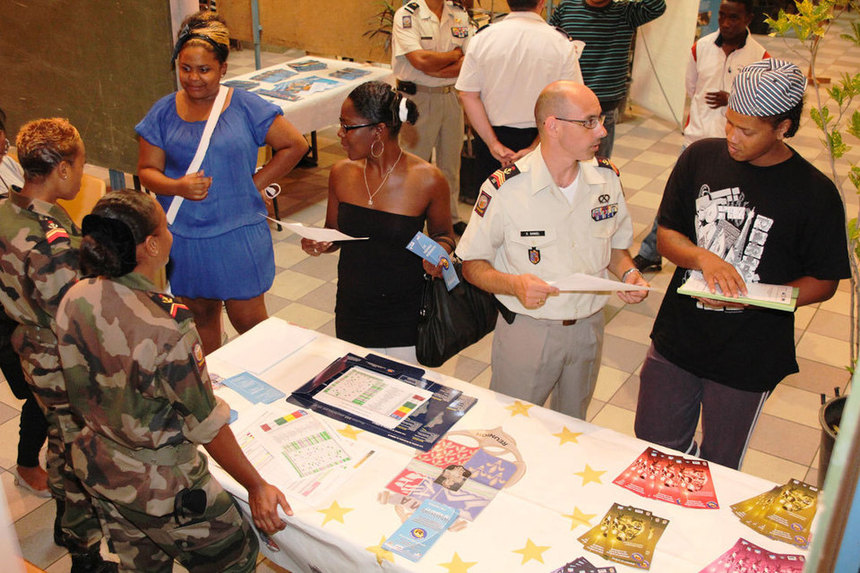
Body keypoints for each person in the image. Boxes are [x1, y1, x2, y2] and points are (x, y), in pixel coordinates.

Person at [56, 190, 291, 572]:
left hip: (102, 464)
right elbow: (207, 426)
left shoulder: (77, 295)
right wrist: (256, 485)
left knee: (142, 564)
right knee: (236, 558)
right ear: (150, 245)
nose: (171, 234)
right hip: (163, 486)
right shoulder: (168, 325)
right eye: (165, 227)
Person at [634, 59, 851, 470]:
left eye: (747, 130)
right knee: (653, 445)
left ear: (783, 127)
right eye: (729, 123)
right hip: (678, 337)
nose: (732, 137)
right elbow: (667, 236)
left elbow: (824, 282)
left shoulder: (815, 194)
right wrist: (703, 257)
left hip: (749, 355)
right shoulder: (700, 157)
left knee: (719, 466)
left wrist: (754, 300)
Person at [456, 81, 649, 419]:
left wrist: (629, 273)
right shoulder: (506, 189)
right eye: (589, 121)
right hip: (529, 331)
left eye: (600, 119)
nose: (601, 130)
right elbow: (472, 264)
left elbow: (616, 248)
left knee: (573, 430)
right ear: (553, 126)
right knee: (511, 429)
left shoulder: (606, 179)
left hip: (589, 327)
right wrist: (514, 285)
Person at [137, 11, 308, 355]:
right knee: (199, 319)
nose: (194, 78)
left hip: (237, 234)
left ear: (224, 68)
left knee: (251, 322)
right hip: (185, 236)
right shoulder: (163, 112)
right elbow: (147, 171)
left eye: (204, 69)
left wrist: (254, 183)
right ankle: (213, 387)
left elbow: (295, 145)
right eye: (185, 69)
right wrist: (178, 186)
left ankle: (266, 387)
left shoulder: (245, 106)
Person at [0, 118, 114, 572]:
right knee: (80, 451)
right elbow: (76, 313)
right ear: (62, 169)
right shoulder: (50, 243)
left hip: (28, 345)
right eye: (81, 163)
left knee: (61, 438)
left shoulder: (9, 212)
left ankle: (67, 526)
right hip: (62, 360)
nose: (84, 172)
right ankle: (84, 553)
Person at [300, 82, 454, 364]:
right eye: (341, 124)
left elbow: (445, 234)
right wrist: (319, 241)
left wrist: (440, 256)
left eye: (348, 126)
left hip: (406, 316)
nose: (340, 134)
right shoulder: (341, 173)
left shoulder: (429, 180)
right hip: (352, 309)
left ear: (378, 130)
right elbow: (334, 233)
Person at [634, 0, 768, 273]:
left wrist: (731, 100)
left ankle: (720, 260)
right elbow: (692, 87)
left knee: (727, 208)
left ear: (748, 18)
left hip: (734, 146)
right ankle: (650, 253)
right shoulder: (701, 47)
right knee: (673, 200)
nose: (727, 23)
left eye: (735, 17)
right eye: (723, 16)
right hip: (695, 141)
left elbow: (761, 106)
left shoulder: (760, 56)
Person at [455, 0, 583, 191]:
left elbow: (467, 94)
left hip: (490, 137)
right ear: (542, 2)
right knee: (538, 207)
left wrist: (493, 144)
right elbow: (571, 101)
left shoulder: (482, 39)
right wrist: (535, 148)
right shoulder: (560, 44)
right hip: (544, 137)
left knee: (490, 204)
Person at [0, 107, 50, 498]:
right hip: (7, 312)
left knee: (44, 386)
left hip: (23, 300)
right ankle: (27, 462)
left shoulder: (10, 168)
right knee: (37, 390)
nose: (5, 143)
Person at [392, 0, 474, 235]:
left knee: (450, 163)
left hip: (450, 98)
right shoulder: (408, 15)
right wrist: (453, 55)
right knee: (411, 164)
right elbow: (419, 61)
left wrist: (434, 67)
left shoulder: (458, 13)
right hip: (416, 98)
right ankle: (408, 220)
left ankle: (449, 218)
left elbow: (468, 61)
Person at [550, 0, 666, 158]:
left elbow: (657, 6)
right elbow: (549, 41)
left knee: (597, 166)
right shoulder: (567, 8)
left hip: (603, 107)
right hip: (567, 105)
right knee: (562, 163)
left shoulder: (625, 12)